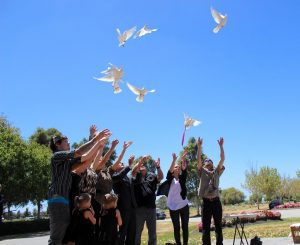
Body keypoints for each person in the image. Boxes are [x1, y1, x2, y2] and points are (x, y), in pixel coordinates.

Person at [47, 128, 111, 245]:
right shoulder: (57, 156)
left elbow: (86, 160)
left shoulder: (67, 162)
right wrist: (95, 139)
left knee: (64, 234)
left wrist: (99, 145)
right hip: (57, 198)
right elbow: (80, 152)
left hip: (64, 199)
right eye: (66, 141)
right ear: (57, 144)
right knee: (57, 237)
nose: (69, 143)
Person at [197, 137, 225, 245]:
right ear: (204, 164)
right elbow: (198, 160)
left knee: (218, 226)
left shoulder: (216, 172)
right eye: (206, 161)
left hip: (216, 202)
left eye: (209, 161)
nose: (207, 161)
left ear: (212, 164)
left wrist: (221, 146)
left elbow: (222, 159)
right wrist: (199, 147)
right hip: (206, 203)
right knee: (206, 227)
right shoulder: (202, 172)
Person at [157, 151, 189, 245]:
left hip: (184, 205)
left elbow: (184, 169)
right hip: (173, 207)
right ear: (173, 169)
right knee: (176, 227)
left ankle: (185, 243)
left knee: (185, 226)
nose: (178, 168)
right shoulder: (170, 179)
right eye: (176, 167)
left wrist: (183, 159)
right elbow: (169, 172)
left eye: (178, 167)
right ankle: (178, 243)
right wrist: (174, 160)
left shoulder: (182, 178)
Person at [132, 156, 164, 245]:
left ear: (146, 167)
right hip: (139, 209)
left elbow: (161, 177)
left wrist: (158, 167)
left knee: (152, 232)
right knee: (137, 232)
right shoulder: (135, 177)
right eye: (139, 164)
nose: (141, 165)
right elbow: (133, 171)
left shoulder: (152, 175)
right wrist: (140, 160)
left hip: (151, 208)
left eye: (143, 164)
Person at [112, 155, 137, 245]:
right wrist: (129, 166)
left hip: (132, 208)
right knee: (122, 232)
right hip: (123, 208)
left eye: (122, 162)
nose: (122, 163)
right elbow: (119, 176)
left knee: (132, 232)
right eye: (119, 162)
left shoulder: (128, 177)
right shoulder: (114, 176)